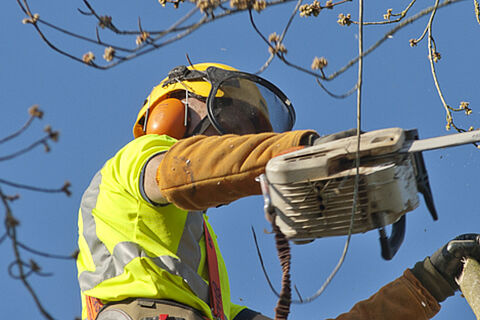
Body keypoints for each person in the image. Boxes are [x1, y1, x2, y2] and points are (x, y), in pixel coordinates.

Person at [76, 62, 480, 320]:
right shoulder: (137, 162)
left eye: (250, 134)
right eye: (229, 120)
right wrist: (298, 150)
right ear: (174, 112)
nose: (235, 139)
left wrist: (426, 284)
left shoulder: (212, 297)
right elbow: (190, 169)